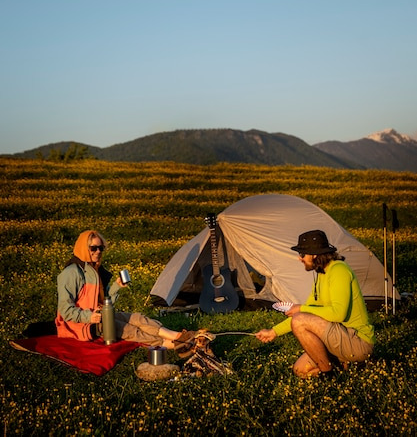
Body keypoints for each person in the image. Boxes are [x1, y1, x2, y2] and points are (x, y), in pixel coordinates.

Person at [55, 230, 196, 357]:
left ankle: (180, 336)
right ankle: (175, 345)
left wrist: (117, 286)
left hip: (99, 315)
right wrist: (89, 317)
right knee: (129, 329)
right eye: (93, 248)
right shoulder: (71, 273)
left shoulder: (95, 270)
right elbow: (65, 309)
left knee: (138, 318)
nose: (98, 252)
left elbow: (105, 301)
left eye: (101, 248)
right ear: (83, 249)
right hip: (79, 324)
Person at [255, 230, 375, 378]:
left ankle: (328, 374)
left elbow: (338, 313)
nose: (300, 259)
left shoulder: (339, 271)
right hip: (339, 337)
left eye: (302, 254)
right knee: (300, 370)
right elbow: (307, 313)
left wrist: (301, 308)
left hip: (357, 341)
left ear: (315, 255)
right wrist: (273, 332)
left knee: (300, 319)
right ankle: (343, 365)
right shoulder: (321, 274)